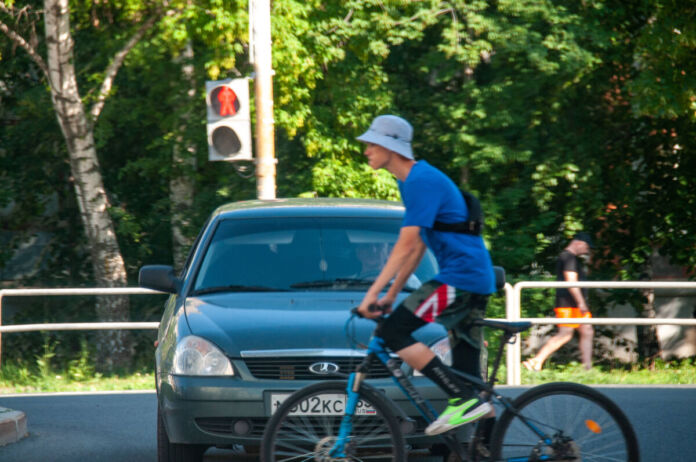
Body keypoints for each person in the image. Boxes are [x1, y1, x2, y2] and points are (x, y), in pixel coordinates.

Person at [355, 114, 496, 436]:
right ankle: (487, 449)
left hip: (460, 280)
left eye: (372, 144)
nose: (366, 151)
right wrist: (391, 295)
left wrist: (372, 294)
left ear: (391, 146)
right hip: (470, 278)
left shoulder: (421, 180)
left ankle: (463, 400)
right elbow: (419, 245)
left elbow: (406, 243)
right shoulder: (411, 181)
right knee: (470, 381)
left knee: (393, 333)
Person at [522, 232, 594, 371]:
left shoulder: (570, 258)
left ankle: (588, 367)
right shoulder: (568, 257)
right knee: (565, 334)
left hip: (574, 304)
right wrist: (581, 302)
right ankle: (536, 361)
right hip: (569, 304)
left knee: (587, 331)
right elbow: (571, 281)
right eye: (586, 247)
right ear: (578, 242)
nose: (587, 250)